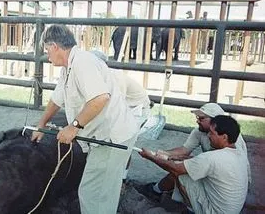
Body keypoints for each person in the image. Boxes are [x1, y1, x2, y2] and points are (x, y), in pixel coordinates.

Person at [31, 24, 138, 214]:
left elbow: (100, 98)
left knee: (93, 193)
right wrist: (41, 125)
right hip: (104, 136)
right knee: (102, 191)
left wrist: (74, 127)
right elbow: (56, 100)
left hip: (112, 137)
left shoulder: (83, 62)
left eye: (47, 50)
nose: (47, 56)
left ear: (55, 46)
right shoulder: (68, 67)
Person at [139, 115, 249, 214]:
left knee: (181, 173)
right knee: (188, 168)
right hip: (232, 208)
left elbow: (176, 169)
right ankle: (159, 190)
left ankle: (189, 208)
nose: (208, 136)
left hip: (215, 211)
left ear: (224, 137)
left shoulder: (212, 157)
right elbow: (197, 162)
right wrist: (174, 156)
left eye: (212, 133)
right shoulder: (239, 153)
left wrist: (151, 157)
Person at [90, 49, 152, 180]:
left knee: (124, 140)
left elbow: (118, 106)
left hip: (136, 109)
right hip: (122, 107)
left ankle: (122, 178)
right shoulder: (97, 76)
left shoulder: (115, 78)